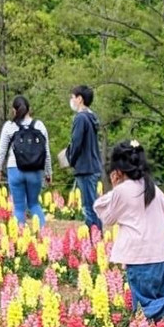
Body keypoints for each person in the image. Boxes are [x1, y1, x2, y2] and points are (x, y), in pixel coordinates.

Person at [93, 140, 164, 322]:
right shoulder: (153, 188)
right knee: (159, 308)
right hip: (162, 256)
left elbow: (106, 216)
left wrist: (115, 188)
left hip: (140, 258)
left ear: (117, 170)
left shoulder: (122, 191)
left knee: (144, 308)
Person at [0, 95, 51, 229]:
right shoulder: (39, 125)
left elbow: (2, 151)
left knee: (19, 207)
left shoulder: (9, 126)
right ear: (29, 109)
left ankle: (20, 237)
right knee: (34, 204)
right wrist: (48, 172)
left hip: (15, 169)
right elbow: (46, 152)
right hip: (35, 171)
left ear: (14, 110)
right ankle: (43, 234)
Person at [64, 85, 103, 233]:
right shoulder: (91, 117)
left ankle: (95, 239)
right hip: (93, 165)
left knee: (89, 207)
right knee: (94, 205)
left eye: (72, 97)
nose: (71, 100)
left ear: (80, 99)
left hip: (85, 167)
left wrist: (71, 160)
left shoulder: (80, 118)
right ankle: (97, 237)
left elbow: (76, 143)